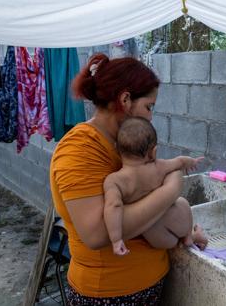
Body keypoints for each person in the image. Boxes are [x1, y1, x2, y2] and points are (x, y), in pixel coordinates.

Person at [50, 53, 196, 304]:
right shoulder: (80, 149)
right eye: (149, 107)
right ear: (125, 99)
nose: (151, 117)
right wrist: (172, 189)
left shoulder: (125, 143)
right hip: (110, 293)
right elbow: (96, 234)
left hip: (145, 284)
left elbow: (143, 198)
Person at [104, 116, 206, 256]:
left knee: (151, 228)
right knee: (182, 202)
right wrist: (192, 162)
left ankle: (191, 237)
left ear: (117, 151)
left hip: (158, 238)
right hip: (179, 221)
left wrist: (116, 240)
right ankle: (190, 237)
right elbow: (180, 162)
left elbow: (113, 207)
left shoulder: (115, 181)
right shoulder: (158, 167)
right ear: (153, 152)